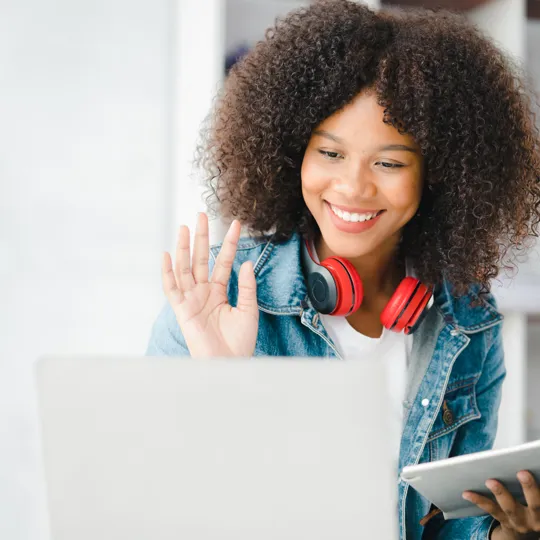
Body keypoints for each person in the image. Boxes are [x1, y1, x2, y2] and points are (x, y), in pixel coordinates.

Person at [146, 1, 540, 538]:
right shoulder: (213, 301)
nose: (353, 187)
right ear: (292, 154)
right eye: (330, 154)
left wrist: (504, 533)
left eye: (389, 162)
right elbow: (160, 507)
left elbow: (447, 525)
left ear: (443, 175)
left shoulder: (468, 323)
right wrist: (221, 383)